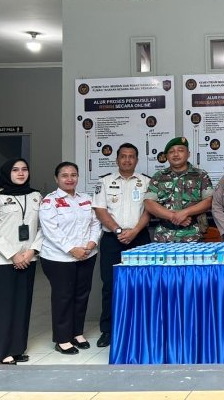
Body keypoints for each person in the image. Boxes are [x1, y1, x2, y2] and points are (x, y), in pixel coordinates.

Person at [0, 159, 43, 365]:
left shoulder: (35, 196)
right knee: (3, 307)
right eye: (15, 170)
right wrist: (13, 254)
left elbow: (43, 227)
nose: (21, 173)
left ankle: (16, 348)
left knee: (22, 306)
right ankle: (1, 351)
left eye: (24, 169)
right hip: (2, 261)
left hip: (28, 259)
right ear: (8, 173)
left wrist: (31, 251)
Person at [91, 143, 151, 348]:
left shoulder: (146, 182)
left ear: (137, 160)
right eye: (123, 156)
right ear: (116, 159)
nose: (127, 160)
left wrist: (134, 231)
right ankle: (108, 330)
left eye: (131, 156)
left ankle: (140, 328)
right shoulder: (104, 182)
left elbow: (149, 211)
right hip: (112, 240)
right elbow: (100, 210)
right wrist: (117, 230)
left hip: (139, 238)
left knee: (141, 284)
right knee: (110, 285)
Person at [39, 162, 101, 355]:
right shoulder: (49, 201)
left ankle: (76, 333)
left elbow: (95, 223)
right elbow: (50, 230)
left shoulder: (86, 199)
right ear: (56, 178)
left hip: (87, 254)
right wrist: (72, 249)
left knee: (82, 294)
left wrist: (91, 243)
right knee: (63, 296)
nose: (69, 179)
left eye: (73, 175)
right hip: (58, 258)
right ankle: (62, 339)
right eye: (64, 175)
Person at [144, 137, 213, 242]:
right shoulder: (158, 176)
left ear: (188, 154)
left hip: (193, 235)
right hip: (164, 235)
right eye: (171, 152)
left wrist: (185, 213)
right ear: (166, 156)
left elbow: (209, 201)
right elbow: (149, 203)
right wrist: (173, 216)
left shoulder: (200, 175)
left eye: (180, 150)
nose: (176, 154)